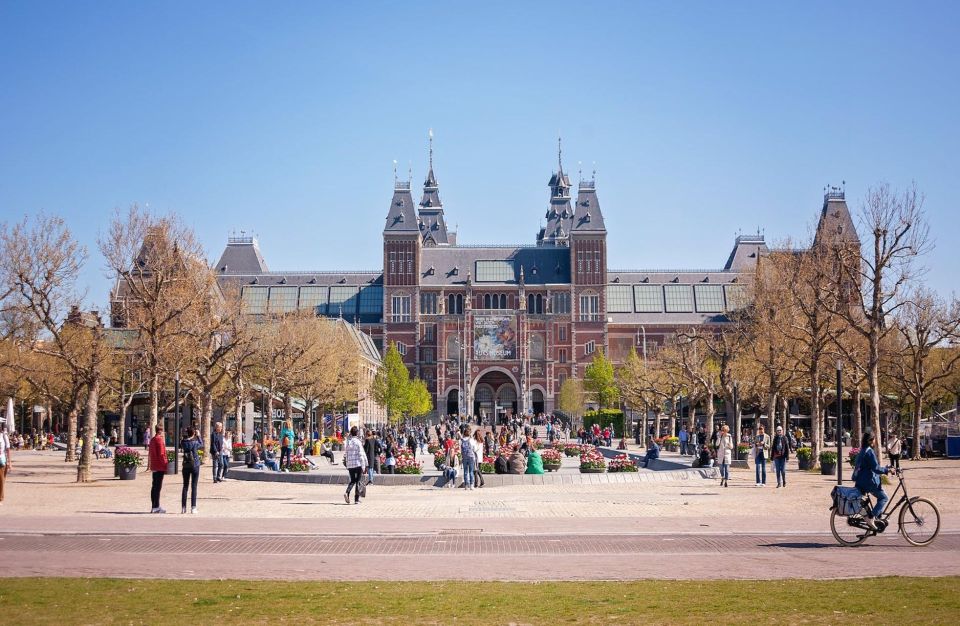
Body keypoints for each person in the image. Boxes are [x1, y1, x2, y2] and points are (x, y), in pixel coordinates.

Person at [854, 431, 894, 530]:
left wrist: (885, 468)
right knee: (884, 498)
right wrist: (887, 470)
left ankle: (878, 519)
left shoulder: (863, 450)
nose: (876, 441)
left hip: (861, 480)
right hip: (868, 482)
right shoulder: (869, 451)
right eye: (874, 439)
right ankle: (871, 517)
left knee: (881, 494)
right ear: (871, 440)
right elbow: (875, 468)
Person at [180, 426, 203, 515]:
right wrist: (199, 436)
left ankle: (183, 507)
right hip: (195, 465)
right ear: (194, 433)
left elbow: (182, 442)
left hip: (185, 465)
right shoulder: (195, 442)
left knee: (185, 486)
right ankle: (193, 507)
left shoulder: (183, 442)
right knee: (194, 486)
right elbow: (201, 445)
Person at [343, 426, 367, 504]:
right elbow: (361, 454)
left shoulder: (348, 442)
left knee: (352, 480)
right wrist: (364, 465)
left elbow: (346, 453)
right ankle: (356, 499)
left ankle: (347, 492)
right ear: (357, 433)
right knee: (358, 481)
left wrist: (347, 463)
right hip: (358, 463)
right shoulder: (358, 442)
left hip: (350, 464)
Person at [147, 424, 168, 513]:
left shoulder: (152, 440)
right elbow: (161, 454)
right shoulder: (159, 440)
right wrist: (165, 465)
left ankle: (154, 505)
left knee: (154, 486)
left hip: (154, 465)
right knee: (158, 487)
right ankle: (156, 506)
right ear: (161, 431)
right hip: (159, 466)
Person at [0, 425, 11, 505]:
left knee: (1, 480)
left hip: (1, 460)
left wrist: (9, 462)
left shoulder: (3, 436)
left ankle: (0, 498)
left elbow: (8, 450)